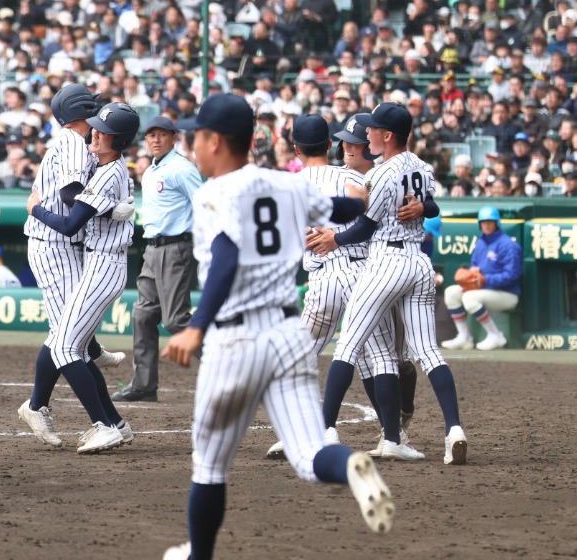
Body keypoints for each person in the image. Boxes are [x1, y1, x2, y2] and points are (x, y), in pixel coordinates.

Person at [160, 94, 395, 560]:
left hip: (235, 339)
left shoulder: (213, 193)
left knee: (209, 467)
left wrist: (197, 326)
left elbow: (226, 257)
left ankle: (198, 556)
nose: (193, 146)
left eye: (196, 137)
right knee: (310, 456)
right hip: (288, 335)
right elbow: (347, 211)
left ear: (215, 141)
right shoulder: (286, 184)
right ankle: (350, 466)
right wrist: (361, 196)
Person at [309, 102, 468, 466]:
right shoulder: (422, 166)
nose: (367, 134)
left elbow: (365, 226)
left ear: (388, 135)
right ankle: (453, 429)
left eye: (373, 130)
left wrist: (334, 240)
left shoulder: (380, 174)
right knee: (428, 352)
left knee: (348, 345)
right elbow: (431, 204)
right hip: (419, 263)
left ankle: (323, 429)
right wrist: (422, 209)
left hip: (386, 262)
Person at [266, 114, 420, 460]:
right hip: (360, 273)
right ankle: (391, 437)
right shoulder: (353, 177)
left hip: (321, 282)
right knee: (379, 357)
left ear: (296, 148)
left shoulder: (290, 185)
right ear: (330, 145)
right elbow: (373, 217)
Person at [17, 84, 133, 448]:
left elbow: (77, 205)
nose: (96, 125)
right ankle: (104, 418)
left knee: (68, 343)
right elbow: (71, 196)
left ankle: (98, 418)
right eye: (94, 113)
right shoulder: (72, 143)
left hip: (81, 248)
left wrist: (105, 205)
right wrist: (110, 208)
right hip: (57, 245)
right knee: (70, 343)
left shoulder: (98, 158)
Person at [113, 116, 203, 403]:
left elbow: (204, 205)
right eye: (150, 135)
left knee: (176, 319)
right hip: (152, 248)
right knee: (143, 315)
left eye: (161, 134)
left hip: (176, 246)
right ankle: (143, 385)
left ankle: (228, 372)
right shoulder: (150, 170)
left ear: (173, 138)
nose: (154, 139)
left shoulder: (181, 168)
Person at [441, 206, 523, 351]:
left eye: (490, 222)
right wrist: (473, 272)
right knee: (451, 292)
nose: (487, 225)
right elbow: (475, 265)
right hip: (484, 290)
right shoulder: (481, 243)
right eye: (484, 222)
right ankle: (464, 337)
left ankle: (495, 335)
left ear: (497, 223)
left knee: (470, 298)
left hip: (507, 294)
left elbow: (512, 275)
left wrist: (485, 279)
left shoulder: (508, 245)